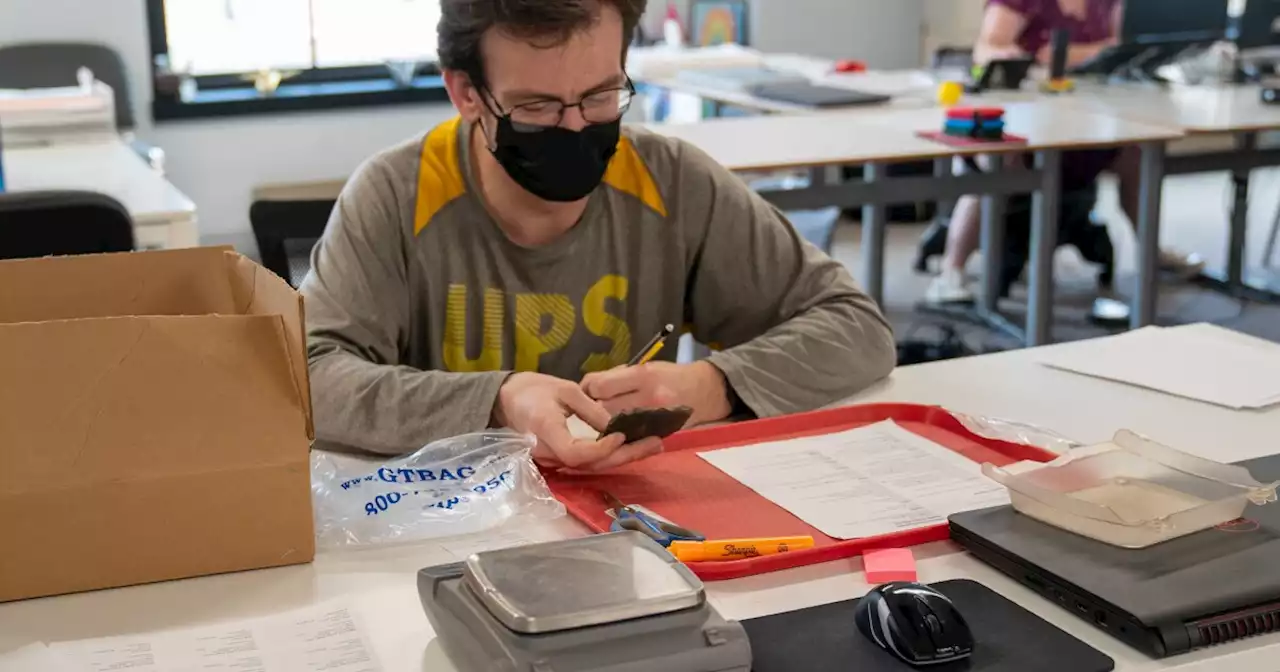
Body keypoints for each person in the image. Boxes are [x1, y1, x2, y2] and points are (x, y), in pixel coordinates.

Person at [301, 0, 897, 471]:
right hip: (445, 521)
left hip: (637, 515)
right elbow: (309, 377)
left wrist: (709, 385)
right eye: (535, 107)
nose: (575, 127)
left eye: (600, 96)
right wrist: (497, 403)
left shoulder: (672, 183)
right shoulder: (397, 194)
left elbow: (856, 327)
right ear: (466, 94)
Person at [926, 0, 1204, 304]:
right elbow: (988, 47)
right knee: (997, 163)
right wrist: (1019, 57)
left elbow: (1116, 48)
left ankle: (1151, 251)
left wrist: (1068, 55)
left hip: (1087, 112)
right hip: (1024, 114)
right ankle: (951, 271)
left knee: (1135, 155)